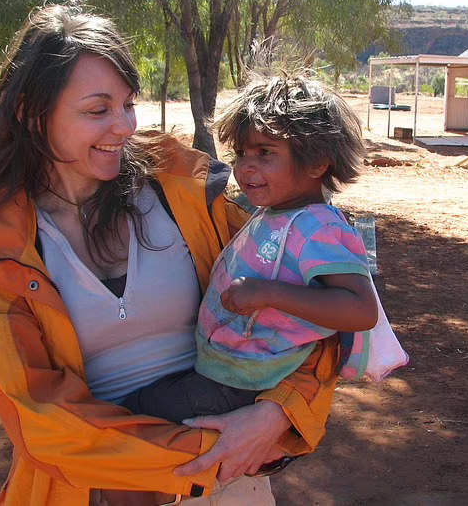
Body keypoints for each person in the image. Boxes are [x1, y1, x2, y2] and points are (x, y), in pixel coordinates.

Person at [0, 4, 341, 506]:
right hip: (108, 485)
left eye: (128, 104)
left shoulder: (184, 190)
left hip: (235, 477)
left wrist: (276, 414)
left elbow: (315, 313)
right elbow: (39, 416)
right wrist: (207, 452)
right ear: (29, 112)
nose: (124, 126)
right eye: (97, 110)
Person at [122, 74, 378, 427]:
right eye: (241, 153)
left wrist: (268, 294)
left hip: (246, 381)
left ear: (317, 162)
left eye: (265, 153)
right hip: (226, 368)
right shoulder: (274, 212)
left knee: (135, 410)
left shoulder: (318, 228)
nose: (245, 167)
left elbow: (361, 310)